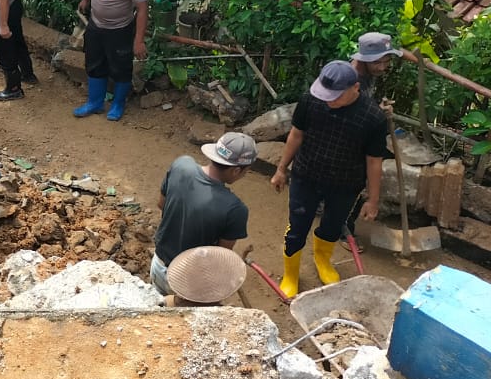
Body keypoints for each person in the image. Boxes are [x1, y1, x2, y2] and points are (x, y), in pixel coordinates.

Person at [270, 61, 389, 298]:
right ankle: (291, 274)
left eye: (335, 96)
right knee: (297, 225)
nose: (328, 100)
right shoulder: (310, 100)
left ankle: (322, 260)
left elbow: (374, 161)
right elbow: (296, 134)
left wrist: (373, 199)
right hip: (306, 175)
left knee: (333, 225)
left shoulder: (373, 117)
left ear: (355, 87)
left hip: (346, 183)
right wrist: (281, 169)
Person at [149, 132, 257, 296]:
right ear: (236, 170)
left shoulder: (181, 165)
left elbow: (161, 204)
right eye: (245, 171)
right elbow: (220, 257)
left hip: (158, 265)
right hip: (188, 282)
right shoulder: (235, 209)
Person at [74, 0, 149, 121]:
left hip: (119, 29)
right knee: (94, 63)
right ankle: (95, 102)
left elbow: (142, 8)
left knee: (121, 68)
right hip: (96, 24)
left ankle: (118, 103)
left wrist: (138, 40)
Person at [351, 31, 406, 100]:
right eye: (376, 62)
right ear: (364, 59)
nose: (382, 68)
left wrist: (420, 60)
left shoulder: (368, 68)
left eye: (387, 61)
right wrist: (378, 110)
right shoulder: (351, 83)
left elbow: (399, 49)